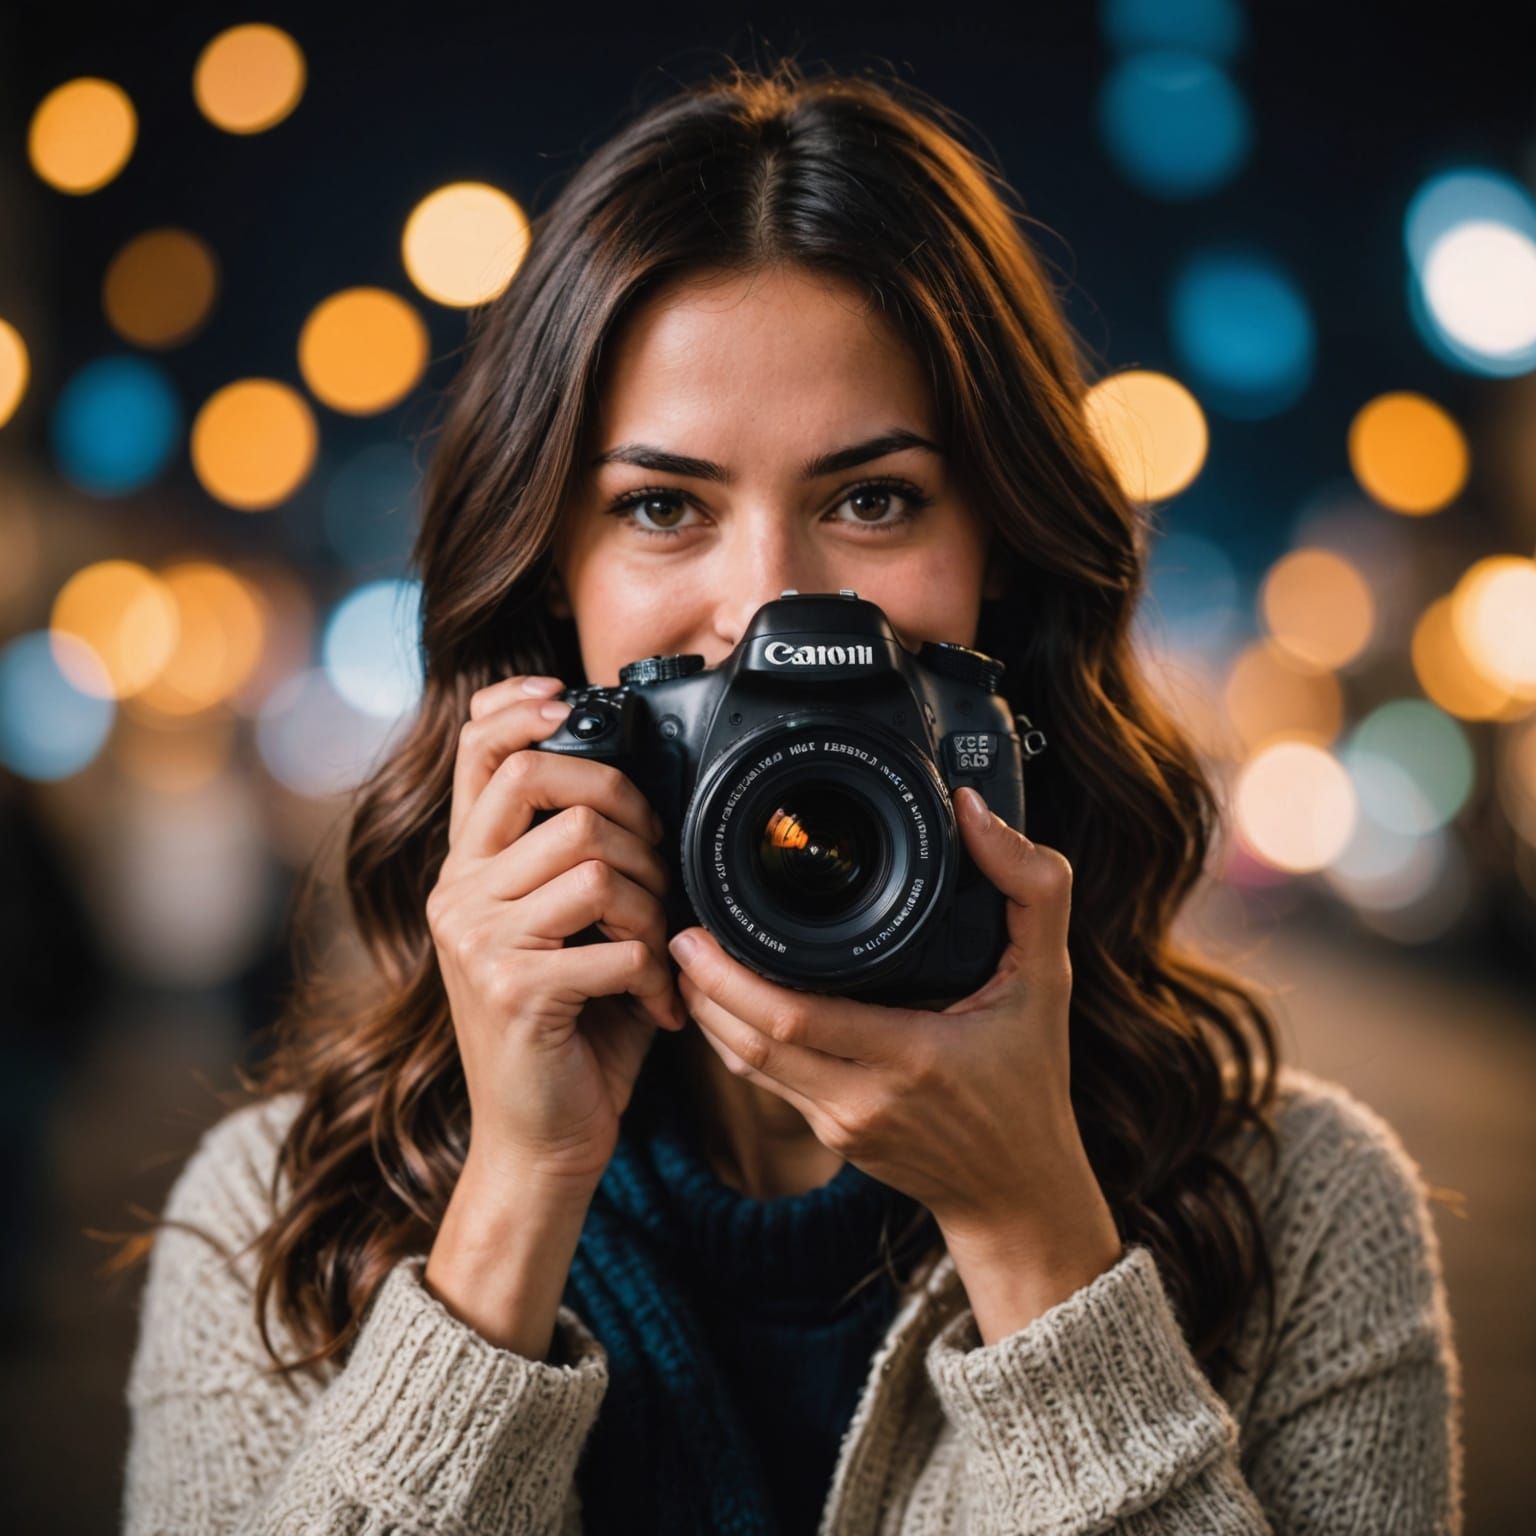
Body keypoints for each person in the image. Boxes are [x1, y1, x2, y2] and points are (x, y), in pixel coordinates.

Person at [118, 56, 1464, 1535]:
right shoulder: (274, 1221)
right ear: (554, 585)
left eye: (872, 500)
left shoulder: (1302, 1213)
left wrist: (1033, 1233)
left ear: (1001, 563)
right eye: (662, 507)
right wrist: (511, 1198)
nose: (767, 606)